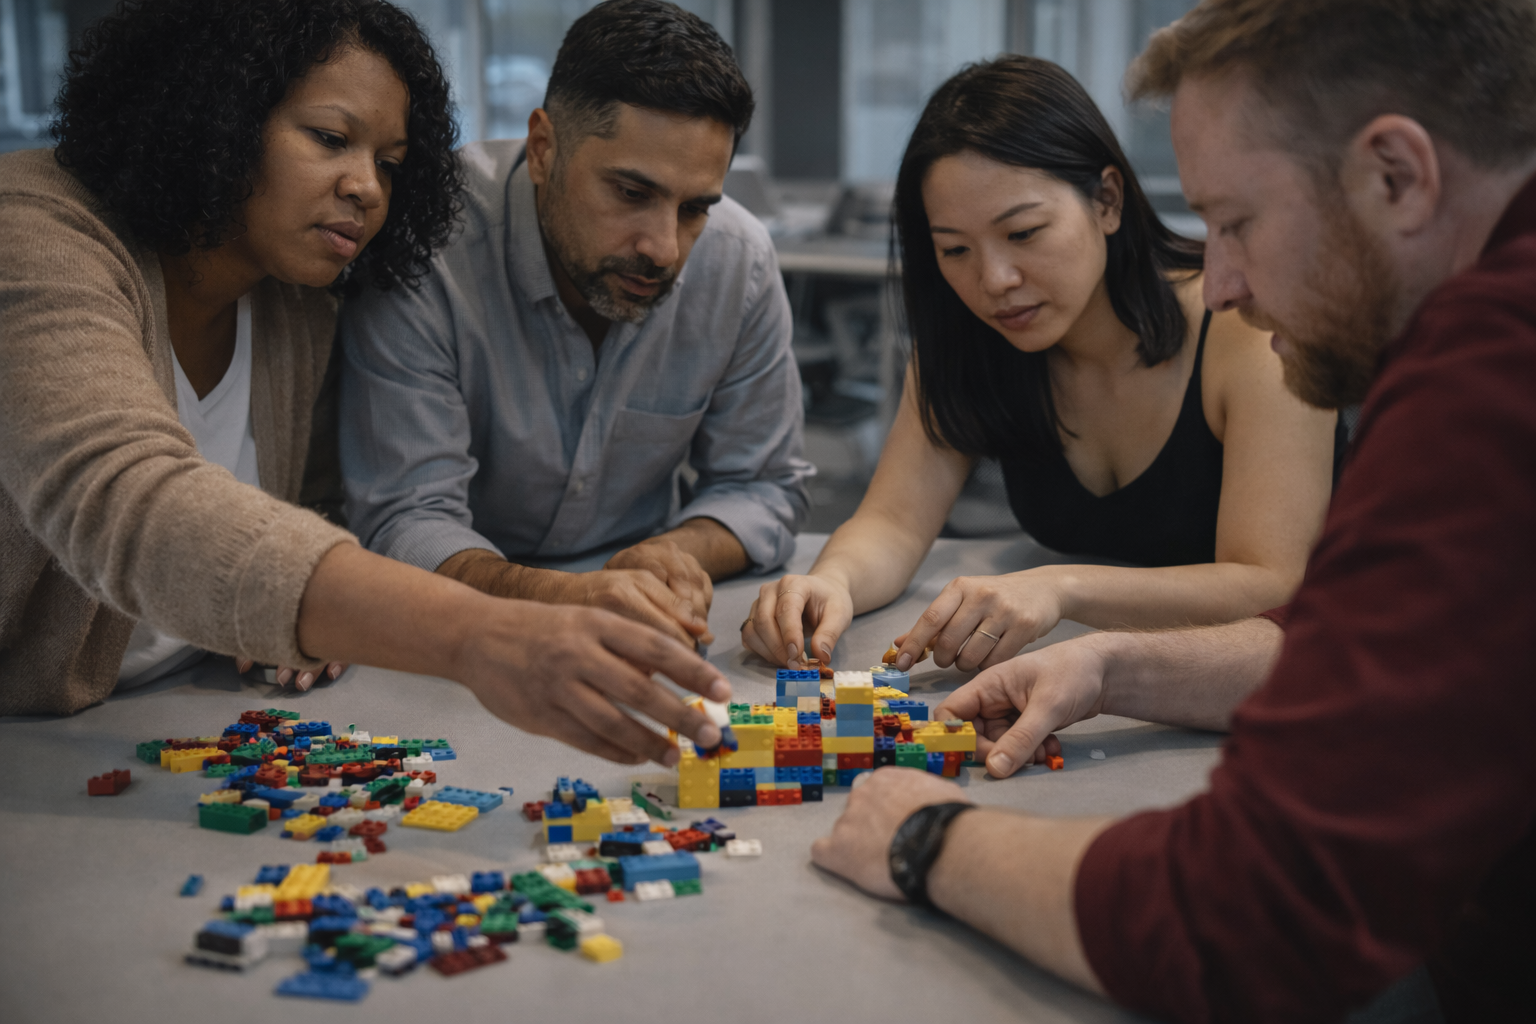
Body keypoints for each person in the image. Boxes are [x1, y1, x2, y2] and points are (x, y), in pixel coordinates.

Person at [811, 1, 1536, 1021]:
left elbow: (1248, 913)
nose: (1223, 279)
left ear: (1395, 176)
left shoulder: (1491, 377)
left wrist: (927, 836)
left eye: (1236, 221)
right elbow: (1368, 641)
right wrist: (1114, 662)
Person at [0, 0, 729, 767]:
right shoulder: (32, 234)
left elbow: (302, 514)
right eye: (329, 139)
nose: (367, 189)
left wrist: (301, 624)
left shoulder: (296, 297)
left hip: (198, 726)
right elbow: (127, 498)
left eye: (388, 162)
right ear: (216, 107)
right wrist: (480, 633)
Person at [743, 55, 1345, 676]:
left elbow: (1271, 583)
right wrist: (832, 584)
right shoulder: (971, 336)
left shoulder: (1247, 326)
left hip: (1291, 678)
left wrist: (1060, 587)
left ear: (1107, 201)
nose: (994, 281)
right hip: (1104, 683)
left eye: (1024, 233)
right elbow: (894, 524)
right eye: (954, 249)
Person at [338, 0, 811, 653]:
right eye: (631, 193)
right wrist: (569, 597)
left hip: (647, 620)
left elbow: (762, 485)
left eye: (696, 207)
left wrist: (669, 554)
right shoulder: (427, 242)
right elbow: (405, 518)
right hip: (457, 632)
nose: (665, 248)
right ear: (542, 149)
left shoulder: (740, 260)